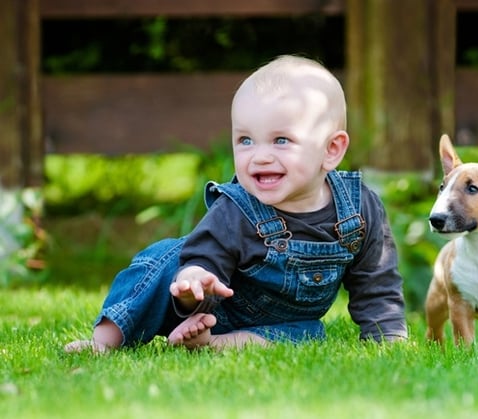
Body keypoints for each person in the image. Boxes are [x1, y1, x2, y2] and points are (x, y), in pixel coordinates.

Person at [64, 55, 407, 353]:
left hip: (280, 322)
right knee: (164, 258)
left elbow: (376, 281)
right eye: (245, 140)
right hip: (212, 301)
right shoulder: (237, 208)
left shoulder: (359, 209)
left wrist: (387, 336)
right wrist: (194, 284)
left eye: (281, 140)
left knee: (310, 332)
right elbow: (204, 256)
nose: (259, 157)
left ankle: (214, 344)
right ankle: (106, 339)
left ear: (331, 149)